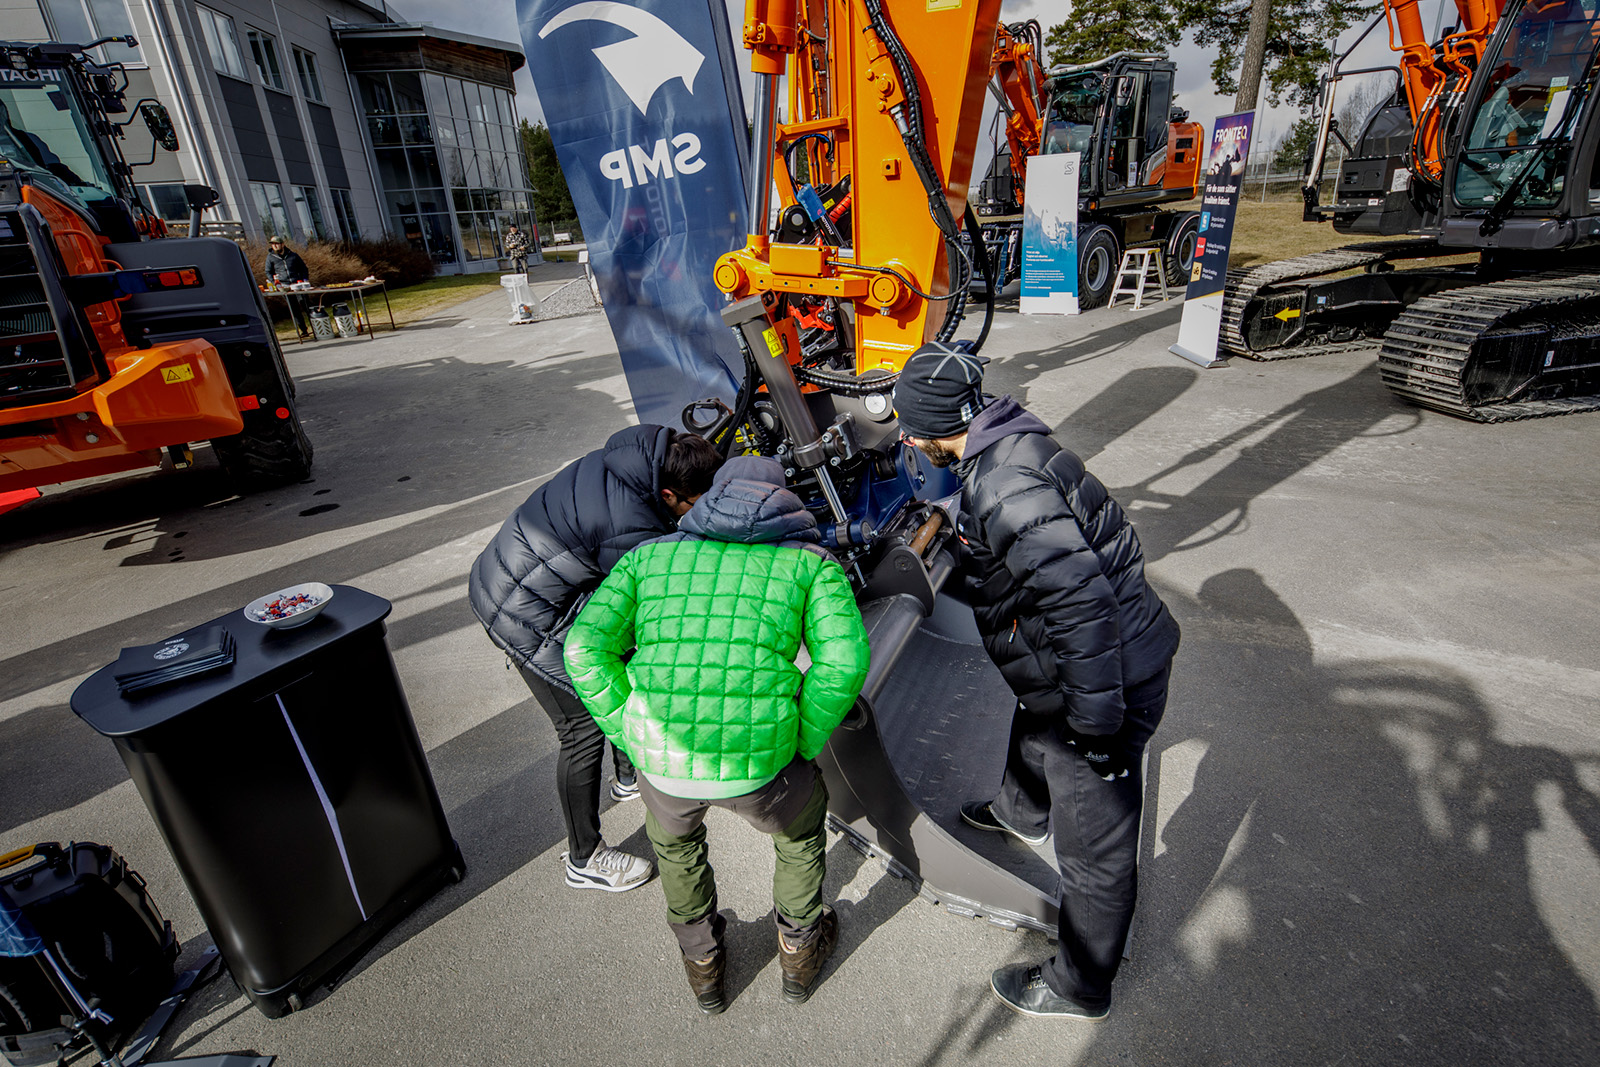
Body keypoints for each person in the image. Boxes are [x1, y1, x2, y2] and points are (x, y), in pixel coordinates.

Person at [892, 342, 1180, 1022]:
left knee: (1098, 853)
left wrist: (1097, 728)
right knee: (1035, 718)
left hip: (1113, 678)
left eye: (909, 426)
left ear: (936, 425)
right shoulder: (1016, 441)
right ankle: (1018, 812)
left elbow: (1083, 608)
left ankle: (1080, 984)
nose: (903, 437)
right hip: (1082, 665)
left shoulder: (1002, 486)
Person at [564, 455, 870, 1015]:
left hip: (664, 764)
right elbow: (843, 662)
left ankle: (704, 970)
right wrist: (800, 738)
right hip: (763, 769)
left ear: (710, 498)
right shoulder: (811, 565)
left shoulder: (648, 556)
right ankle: (799, 956)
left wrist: (628, 730)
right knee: (800, 836)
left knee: (676, 848)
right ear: (783, 501)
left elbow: (583, 649)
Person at [468, 426, 721, 893]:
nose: (701, 511)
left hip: (529, 574)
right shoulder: (630, 525)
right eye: (694, 503)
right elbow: (654, 608)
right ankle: (584, 857)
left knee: (617, 660)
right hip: (521, 608)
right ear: (667, 494)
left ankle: (627, 776)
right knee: (581, 728)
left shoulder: (642, 459)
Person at [265, 236, 311, 335]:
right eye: (273, 244)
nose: (275, 246)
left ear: (282, 244)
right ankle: (304, 330)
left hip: (298, 284)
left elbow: (303, 268)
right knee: (294, 309)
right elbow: (268, 272)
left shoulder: (293, 255)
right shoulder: (270, 257)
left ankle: (316, 326)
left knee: (306, 305)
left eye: (277, 244)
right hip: (284, 286)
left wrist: (305, 280)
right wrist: (275, 283)